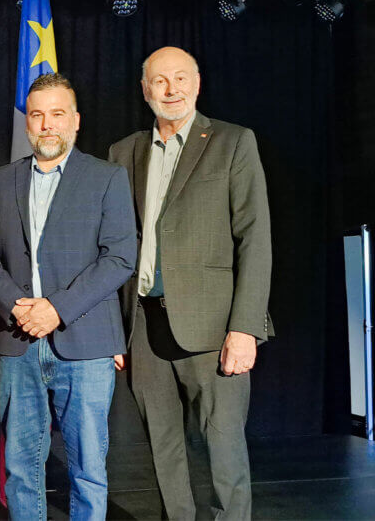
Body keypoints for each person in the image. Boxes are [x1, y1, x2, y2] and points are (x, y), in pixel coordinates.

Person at [108, 46, 272, 520]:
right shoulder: (123, 152)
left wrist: (246, 328)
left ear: (197, 84)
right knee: (164, 451)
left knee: (223, 452)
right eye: (160, 81)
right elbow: (116, 246)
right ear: (145, 90)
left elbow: (254, 238)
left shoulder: (233, 142)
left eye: (181, 78)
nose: (171, 89)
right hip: (144, 326)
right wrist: (117, 331)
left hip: (216, 329)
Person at [0, 73, 136, 520]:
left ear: (75, 121)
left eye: (57, 114)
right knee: (22, 469)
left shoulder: (107, 178)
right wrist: (21, 309)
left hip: (86, 345)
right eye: (38, 115)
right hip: (18, 341)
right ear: (28, 124)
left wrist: (55, 309)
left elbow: (120, 257)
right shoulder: (0, 180)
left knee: (87, 470)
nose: (47, 124)